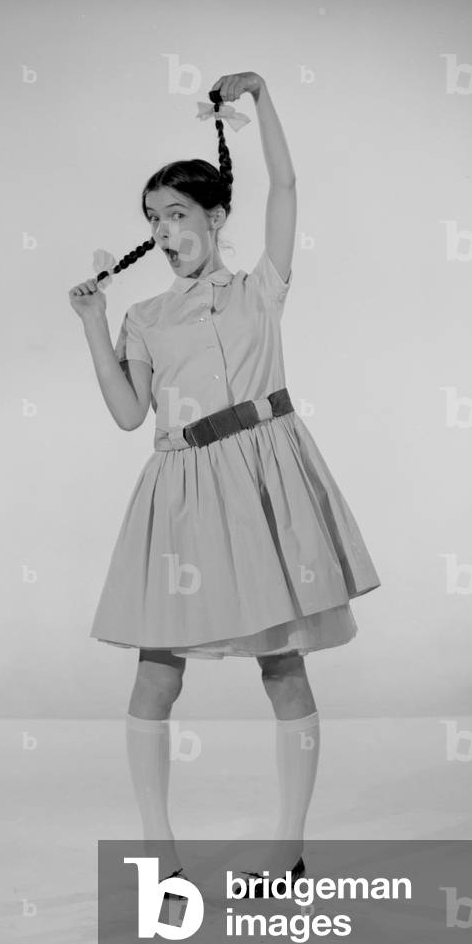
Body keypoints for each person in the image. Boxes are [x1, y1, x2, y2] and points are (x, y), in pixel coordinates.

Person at [68, 72, 381, 894]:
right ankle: (157, 846)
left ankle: (288, 847)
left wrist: (263, 100)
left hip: (263, 482)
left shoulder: (258, 293)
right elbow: (129, 415)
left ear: (213, 217)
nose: (164, 233)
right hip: (178, 495)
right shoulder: (144, 318)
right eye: (152, 220)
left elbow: (284, 184)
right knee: (156, 673)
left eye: (176, 214)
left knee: (282, 665)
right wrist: (93, 329)